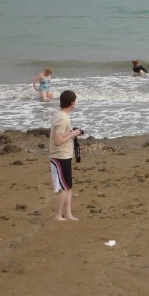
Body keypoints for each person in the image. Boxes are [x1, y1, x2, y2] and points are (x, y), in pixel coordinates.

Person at [49, 90, 84, 221]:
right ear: (72, 103)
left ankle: (68, 214)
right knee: (63, 188)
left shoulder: (59, 114)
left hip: (65, 155)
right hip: (60, 156)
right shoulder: (63, 118)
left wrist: (72, 132)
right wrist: (72, 134)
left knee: (68, 187)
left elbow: (60, 135)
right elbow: (58, 141)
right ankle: (57, 215)